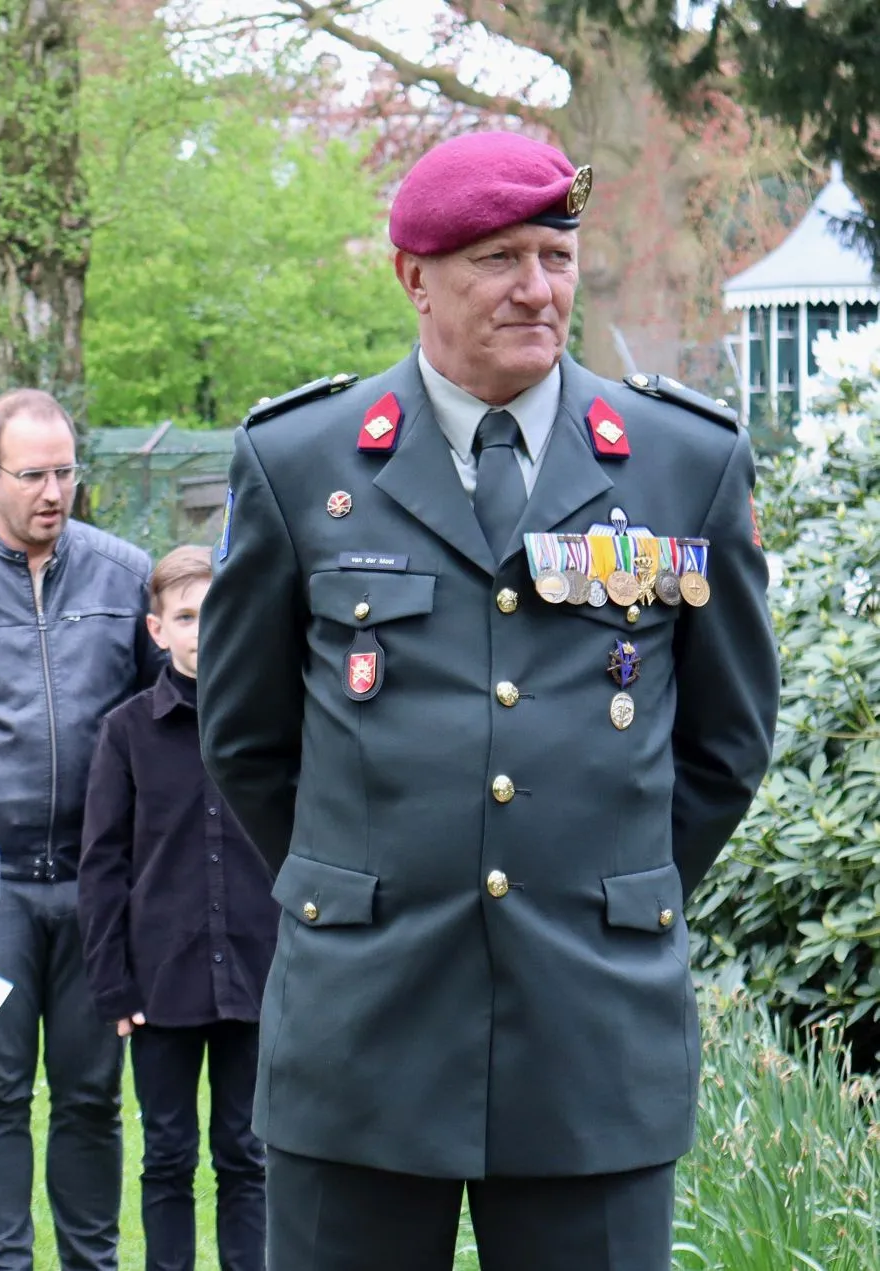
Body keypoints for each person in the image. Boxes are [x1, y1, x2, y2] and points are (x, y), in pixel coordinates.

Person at [199, 131, 779, 1271]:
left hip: (589, 1024)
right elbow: (245, 736)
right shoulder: (298, 456)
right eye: (496, 259)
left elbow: (725, 739)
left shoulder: (678, 460)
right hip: (361, 1022)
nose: (535, 288)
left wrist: (605, 882)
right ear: (414, 277)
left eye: (555, 255)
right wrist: (360, 876)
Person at [0, 387, 159, 1271]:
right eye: (33, 474)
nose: (54, 491)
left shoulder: (126, 576)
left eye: (66, 472)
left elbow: (169, 720)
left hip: (97, 890)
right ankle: (0, 1260)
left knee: (91, 1096)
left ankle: (92, 1261)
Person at [78, 544, 273, 1271]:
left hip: (257, 971)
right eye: (186, 615)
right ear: (158, 629)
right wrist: (112, 982)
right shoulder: (126, 732)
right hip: (162, 982)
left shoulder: (270, 722)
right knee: (167, 1154)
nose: (203, 629)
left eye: (216, 612)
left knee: (246, 1152)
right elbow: (102, 863)